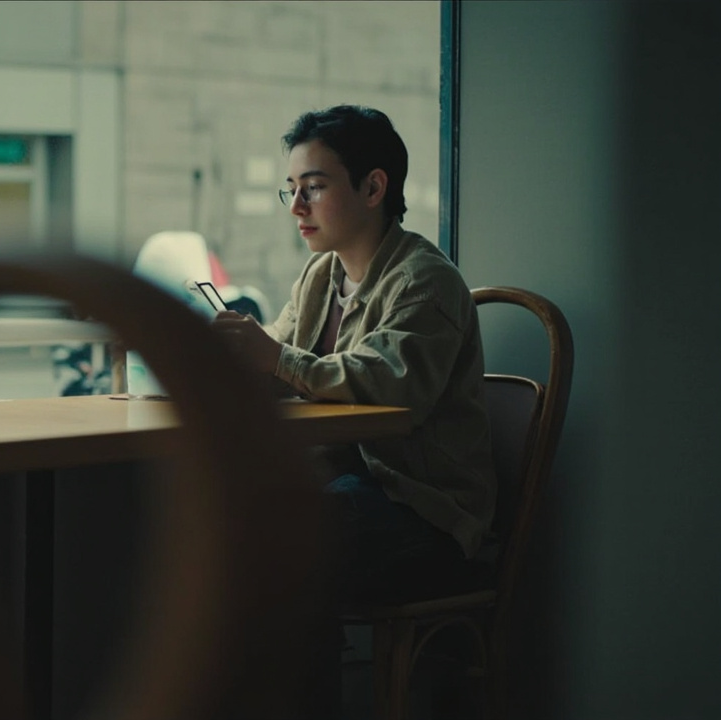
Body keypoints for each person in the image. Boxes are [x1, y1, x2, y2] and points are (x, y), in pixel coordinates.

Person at [211, 105, 495, 715]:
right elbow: (280, 370)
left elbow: (389, 383)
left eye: (312, 187)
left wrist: (275, 360)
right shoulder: (320, 277)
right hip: (345, 493)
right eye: (291, 190)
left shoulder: (425, 281)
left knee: (289, 543)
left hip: (423, 510)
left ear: (373, 187)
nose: (296, 207)